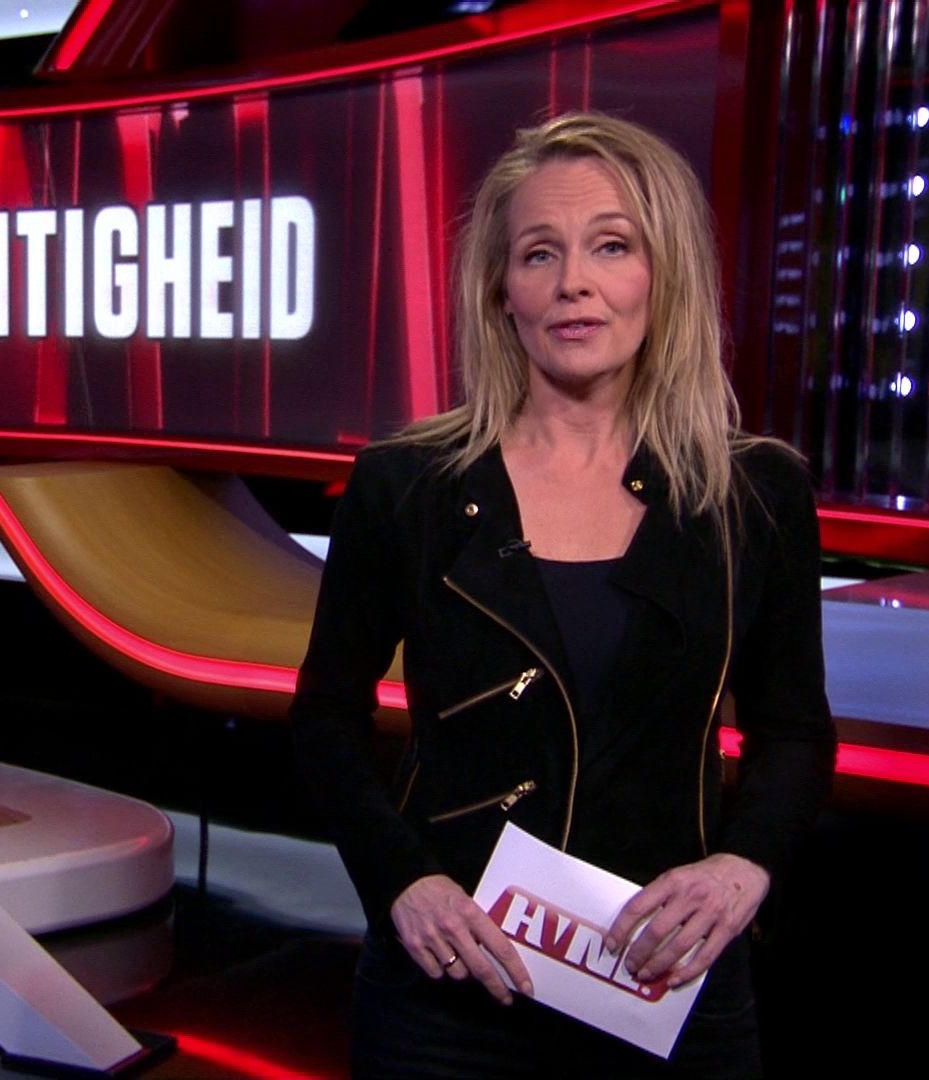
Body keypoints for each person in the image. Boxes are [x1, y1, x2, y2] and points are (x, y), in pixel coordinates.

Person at [289, 112, 836, 1078]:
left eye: (611, 246)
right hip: (449, 995)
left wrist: (742, 866)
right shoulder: (406, 484)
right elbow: (325, 718)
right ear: (502, 292)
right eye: (539, 253)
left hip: (669, 985)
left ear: (664, 274)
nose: (573, 281)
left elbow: (793, 729)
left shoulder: (756, 493)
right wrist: (403, 882)